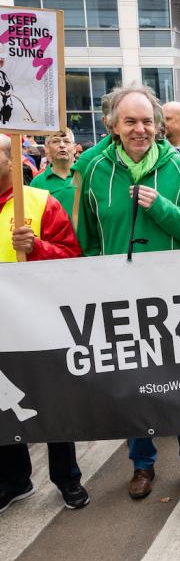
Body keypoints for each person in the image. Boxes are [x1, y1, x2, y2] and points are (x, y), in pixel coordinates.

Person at [79, 85, 180, 499]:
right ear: (112, 125)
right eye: (130, 121)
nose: (140, 129)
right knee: (135, 385)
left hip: (176, 298)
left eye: (147, 121)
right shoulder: (91, 166)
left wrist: (162, 208)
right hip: (119, 299)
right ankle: (142, 466)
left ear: (158, 125)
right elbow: (86, 240)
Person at [0, 133, 90, 512]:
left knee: (51, 402)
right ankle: (14, 481)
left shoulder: (39, 202)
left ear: (11, 159)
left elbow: (71, 257)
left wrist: (36, 247)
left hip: (37, 323)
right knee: (4, 405)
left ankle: (67, 479)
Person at [30, 129, 77, 218]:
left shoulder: (87, 175)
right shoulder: (37, 183)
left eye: (67, 141)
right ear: (46, 149)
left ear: (74, 148)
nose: (62, 145)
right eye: (56, 141)